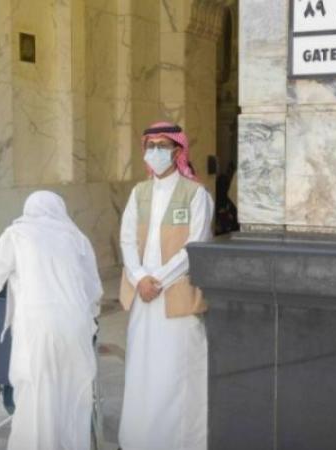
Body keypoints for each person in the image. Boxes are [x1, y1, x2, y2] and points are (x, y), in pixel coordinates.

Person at [0, 191, 103, 450]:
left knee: (35, 392)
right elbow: (93, 289)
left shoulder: (17, 234)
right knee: (71, 391)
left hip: (36, 324)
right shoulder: (77, 238)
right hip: (74, 324)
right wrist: (90, 314)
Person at [118, 122, 214, 450]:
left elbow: (195, 245)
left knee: (177, 372)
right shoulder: (139, 193)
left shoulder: (195, 194)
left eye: (163, 145)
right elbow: (127, 239)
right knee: (143, 371)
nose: (156, 151)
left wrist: (156, 280)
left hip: (176, 297)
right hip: (143, 296)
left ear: (177, 150)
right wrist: (139, 278)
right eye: (151, 145)